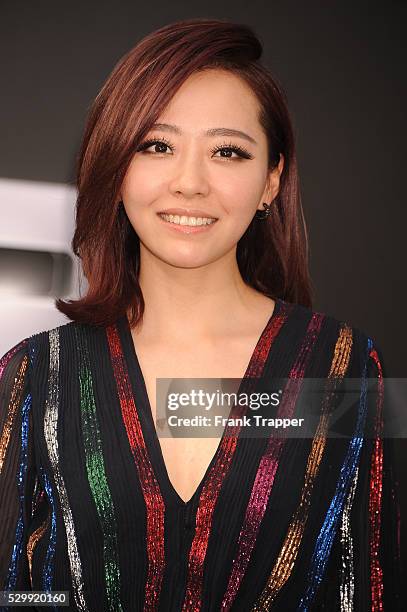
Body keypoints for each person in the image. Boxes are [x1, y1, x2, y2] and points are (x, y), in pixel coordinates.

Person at [0, 17, 401, 612]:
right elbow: (15, 592)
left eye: (227, 152)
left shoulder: (339, 366)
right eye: (157, 146)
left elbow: (365, 586)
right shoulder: (35, 375)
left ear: (271, 180)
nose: (189, 183)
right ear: (117, 168)